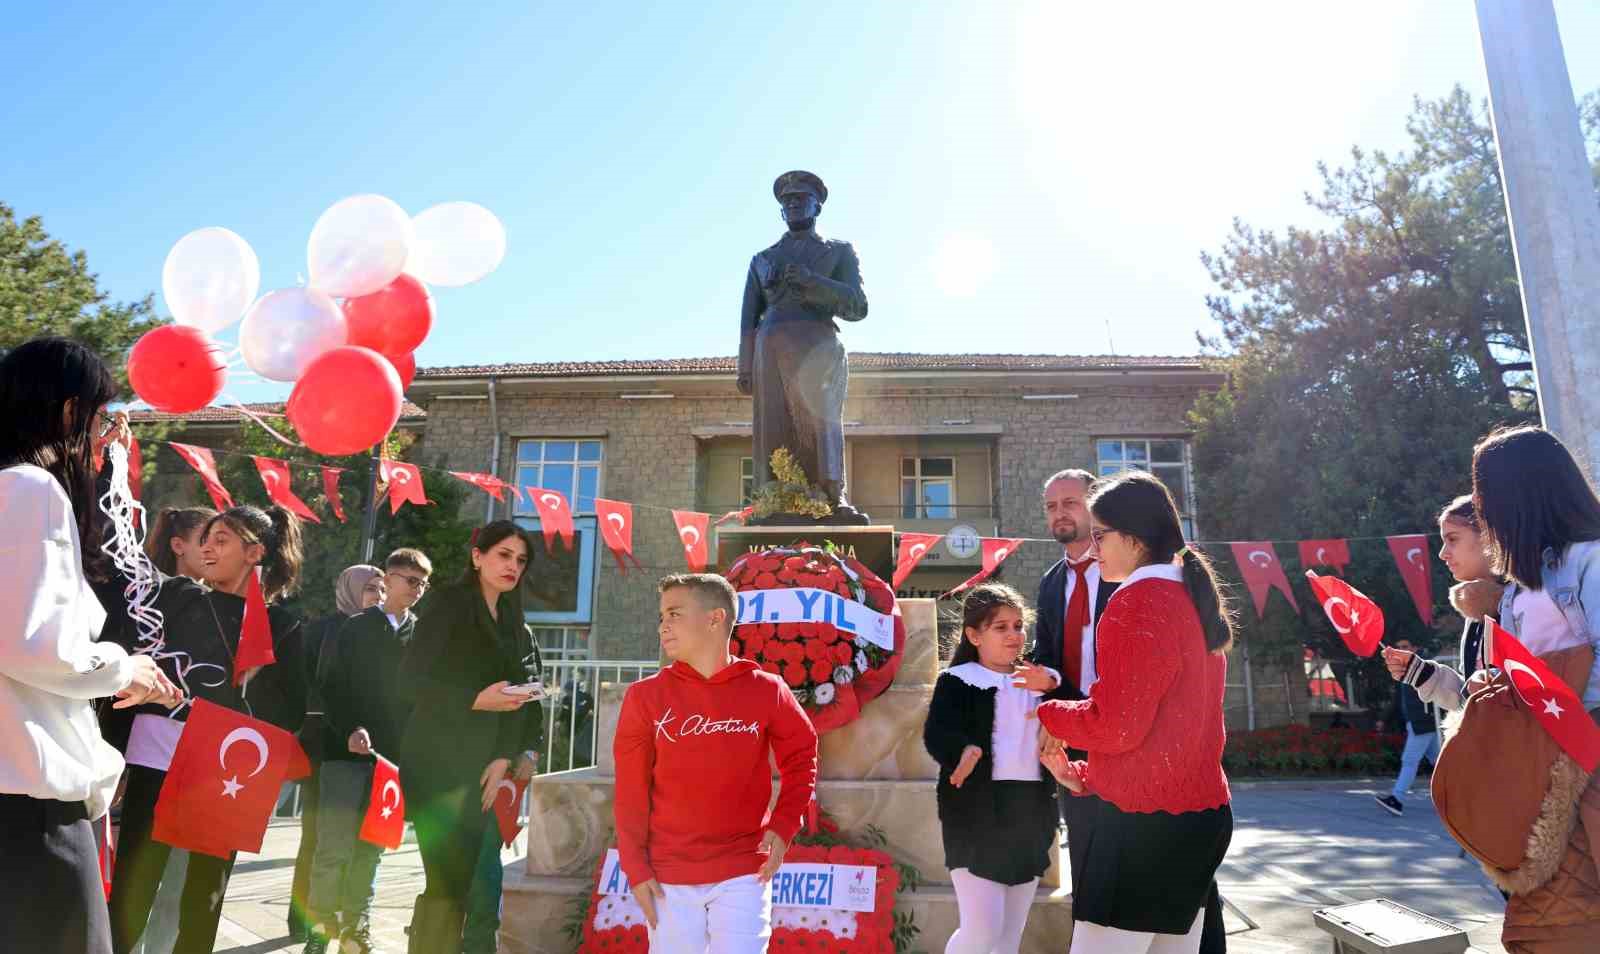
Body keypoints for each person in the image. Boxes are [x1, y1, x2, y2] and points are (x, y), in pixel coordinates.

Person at [0, 337, 182, 954]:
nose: (109, 441)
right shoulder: (28, 489)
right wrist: (125, 666)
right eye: (104, 418)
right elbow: (36, 645)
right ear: (71, 412)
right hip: (28, 802)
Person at [1035, 471, 1234, 954]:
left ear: (1135, 537)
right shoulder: (1190, 595)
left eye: (1100, 534)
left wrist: (1048, 716)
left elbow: (1117, 726)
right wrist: (1084, 773)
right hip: (1195, 816)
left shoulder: (1137, 602)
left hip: (1142, 828)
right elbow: (1165, 730)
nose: (1094, 545)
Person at [108, 505, 309, 954]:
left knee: (205, 894)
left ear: (254, 552)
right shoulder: (176, 596)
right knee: (133, 885)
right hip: (158, 756)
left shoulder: (283, 624)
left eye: (222, 540)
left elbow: (292, 709)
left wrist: (248, 705)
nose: (208, 547)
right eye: (206, 539)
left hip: (229, 772)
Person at [613, 573, 819, 953]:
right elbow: (630, 791)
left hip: (744, 870)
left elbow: (802, 755)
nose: (663, 626)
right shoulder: (645, 697)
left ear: (714, 619)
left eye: (674, 614)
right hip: (668, 875)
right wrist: (635, 866)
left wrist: (786, 821)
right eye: (661, 616)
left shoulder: (766, 689)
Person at [1466, 425, 1600, 951]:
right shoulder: (1520, 587)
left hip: (1585, 765)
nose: (1483, 513)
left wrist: (1554, 696)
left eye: (1485, 498)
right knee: (1542, 930)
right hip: (1542, 777)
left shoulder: (1591, 559)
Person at [399, 523, 544, 952]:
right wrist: (474, 700)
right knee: (444, 883)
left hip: (486, 768)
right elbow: (409, 681)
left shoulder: (516, 620)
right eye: (503, 555)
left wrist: (504, 757)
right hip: (437, 761)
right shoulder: (447, 604)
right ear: (477, 557)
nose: (512, 566)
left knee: (465, 884)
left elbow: (524, 696)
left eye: (520, 560)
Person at [924, 583, 1062, 954]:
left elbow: (1082, 712)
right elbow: (936, 733)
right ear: (974, 635)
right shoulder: (957, 681)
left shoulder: (1042, 679)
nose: (1014, 635)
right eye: (1000, 627)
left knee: (1007, 938)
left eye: (1018, 625)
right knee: (982, 931)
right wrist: (963, 751)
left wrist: (1051, 687)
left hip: (1031, 811)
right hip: (975, 812)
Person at [307, 549, 432, 954]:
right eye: (411, 581)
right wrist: (350, 729)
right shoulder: (355, 628)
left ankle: (355, 930)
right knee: (332, 848)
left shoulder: (424, 636)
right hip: (344, 755)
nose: (417, 591)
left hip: (391, 765)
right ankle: (319, 929)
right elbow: (330, 687)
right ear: (390, 579)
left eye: (423, 584)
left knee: (370, 851)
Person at [288, 564, 384, 943]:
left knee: (361, 842)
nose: (376, 595)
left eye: (381, 588)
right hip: (323, 746)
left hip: (370, 750)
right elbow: (308, 684)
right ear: (350, 589)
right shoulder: (321, 629)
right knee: (318, 837)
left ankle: (346, 919)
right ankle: (306, 919)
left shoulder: (382, 632)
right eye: (369, 588)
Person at [1372, 637, 1439, 816]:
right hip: (1420, 724)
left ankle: (1397, 800)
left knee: (1409, 761)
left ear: (1414, 648)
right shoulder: (1404, 670)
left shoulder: (1422, 667)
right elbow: (1397, 700)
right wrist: (1383, 719)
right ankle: (1463, 796)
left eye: (1405, 647)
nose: (1401, 649)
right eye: (1399, 646)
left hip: (1423, 723)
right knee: (1440, 763)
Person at [143, 507, 216, 581]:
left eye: (222, 542)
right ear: (178, 546)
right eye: (205, 541)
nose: (218, 550)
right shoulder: (150, 590)